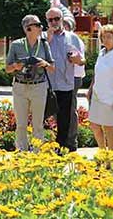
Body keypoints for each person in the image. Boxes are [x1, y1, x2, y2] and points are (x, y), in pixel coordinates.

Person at [6, 15, 55, 151]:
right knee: (21, 124)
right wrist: (17, 66)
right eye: (37, 24)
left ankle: (37, 152)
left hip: (39, 86)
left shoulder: (44, 44)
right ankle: (21, 151)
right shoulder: (16, 45)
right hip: (20, 86)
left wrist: (44, 63)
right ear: (28, 28)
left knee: (38, 124)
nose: (41, 27)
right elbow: (7, 69)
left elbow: (52, 67)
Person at [45, 8, 85, 150]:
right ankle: (43, 146)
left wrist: (77, 60)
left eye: (57, 19)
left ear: (62, 19)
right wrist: (47, 40)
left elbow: (82, 60)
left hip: (65, 84)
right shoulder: (43, 37)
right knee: (43, 117)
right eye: (50, 20)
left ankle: (62, 147)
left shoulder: (72, 37)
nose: (54, 22)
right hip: (47, 85)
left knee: (64, 119)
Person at [87, 25, 113, 151]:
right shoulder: (101, 53)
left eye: (108, 37)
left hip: (111, 97)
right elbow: (97, 73)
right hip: (97, 95)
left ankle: (110, 157)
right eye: (103, 37)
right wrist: (90, 89)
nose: (105, 40)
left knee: (109, 127)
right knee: (94, 125)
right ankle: (102, 151)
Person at [63, 17, 86, 151]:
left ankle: (71, 141)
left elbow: (77, 59)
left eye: (66, 26)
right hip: (64, 77)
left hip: (74, 77)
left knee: (70, 108)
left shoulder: (73, 39)